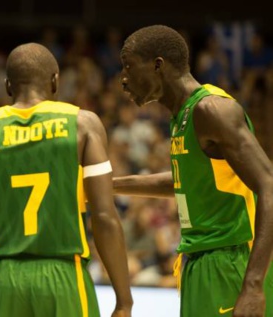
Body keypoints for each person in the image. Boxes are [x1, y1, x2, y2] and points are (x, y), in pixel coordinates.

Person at [0, 42, 133, 317]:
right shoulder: (83, 124)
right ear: (55, 82)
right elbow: (104, 217)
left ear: (8, 86)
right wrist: (124, 301)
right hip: (65, 277)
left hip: (1, 279)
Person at [114, 24, 273, 317]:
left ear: (158, 65)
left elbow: (269, 186)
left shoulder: (212, 110)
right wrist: (108, 185)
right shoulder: (182, 117)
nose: (123, 79)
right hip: (201, 260)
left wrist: (253, 285)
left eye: (128, 67)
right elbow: (183, 181)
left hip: (229, 261)